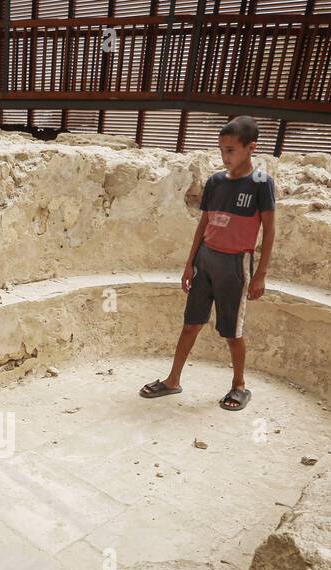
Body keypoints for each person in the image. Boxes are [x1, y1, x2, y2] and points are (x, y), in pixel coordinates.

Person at [139, 115, 276, 411]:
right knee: (190, 324)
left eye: (231, 150)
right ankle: (173, 380)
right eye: (222, 149)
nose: (225, 156)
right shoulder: (215, 182)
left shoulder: (262, 184)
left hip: (235, 266)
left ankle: (239, 386)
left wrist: (260, 275)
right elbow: (203, 224)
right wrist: (189, 264)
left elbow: (270, 229)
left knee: (232, 332)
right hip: (206, 260)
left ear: (251, 148)